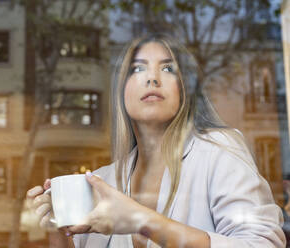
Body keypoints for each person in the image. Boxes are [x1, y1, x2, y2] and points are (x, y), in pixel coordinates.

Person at [27, 34, 286, 247]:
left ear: (185, 89)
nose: (152, 78)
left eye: (168, 68)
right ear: (122, 92)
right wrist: (61, 230)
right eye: (138, 69)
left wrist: (141, 220)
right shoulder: (102, 182)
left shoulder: (218, 150)